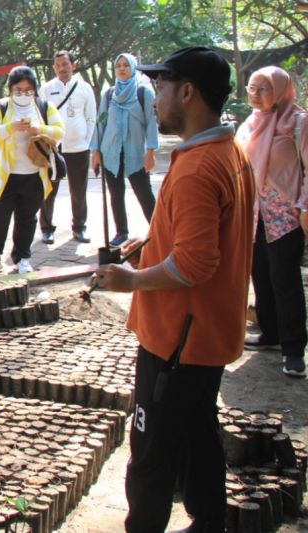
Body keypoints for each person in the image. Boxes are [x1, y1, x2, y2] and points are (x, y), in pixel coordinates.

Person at [95, 47, 254, 533]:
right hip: (209, 334)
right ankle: (209, 520)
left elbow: (195, 261)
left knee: (151, 452)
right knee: (199, 430)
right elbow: (205, 240)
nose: (156, 98)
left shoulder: (198, 168)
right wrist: (152, 241)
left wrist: (133, 280)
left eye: (161, 87)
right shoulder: (228, 153)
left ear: (187, 92)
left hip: (177, 340)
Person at [237, 66, 308, 377]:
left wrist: (304, 207)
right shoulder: (249, 125)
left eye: (263, 89)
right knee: (261, 275)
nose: (255, 95)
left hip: (286, 216)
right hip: (254, 216)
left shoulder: (298, 122)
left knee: (285, 280)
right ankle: (271, 334)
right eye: (251, 88)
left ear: (279, 90)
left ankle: (294, 350)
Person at [0, 66, 64, 276]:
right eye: (18, 90)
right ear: (10, 89)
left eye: (28, 90)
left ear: (35, 89)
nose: (23, 94)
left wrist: (39, 129)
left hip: (34, 175)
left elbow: (60, 131)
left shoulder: (44, 107)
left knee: (27, 218)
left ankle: (22, 258)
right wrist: (10, 128)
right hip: (4, 176)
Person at [90, 53, 158, 247]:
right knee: (115, 195)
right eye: (118, 65)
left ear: (133, 68)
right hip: (110, 152)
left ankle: (158, 230)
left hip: (135, 152)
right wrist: (95, 152)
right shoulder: (109, 94)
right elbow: (100, 122)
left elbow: (151, 123)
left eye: (125, 65)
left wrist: (151, 151)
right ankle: (121, 232)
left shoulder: (143, 93)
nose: (121, 69)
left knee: (144, 194)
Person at [40, 50, 96, 245]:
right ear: (54, 68)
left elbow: (91, 117)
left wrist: (86, 141)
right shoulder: (47, 89)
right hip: (54, 148)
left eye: (65, 64)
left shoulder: (84, 88)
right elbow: (40, 116)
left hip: (79, 148)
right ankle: (46, 229)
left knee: (78, 190)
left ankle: (79, 227)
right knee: (49, 189)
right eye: (58, 65)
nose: (62, 68)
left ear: (73, 65)